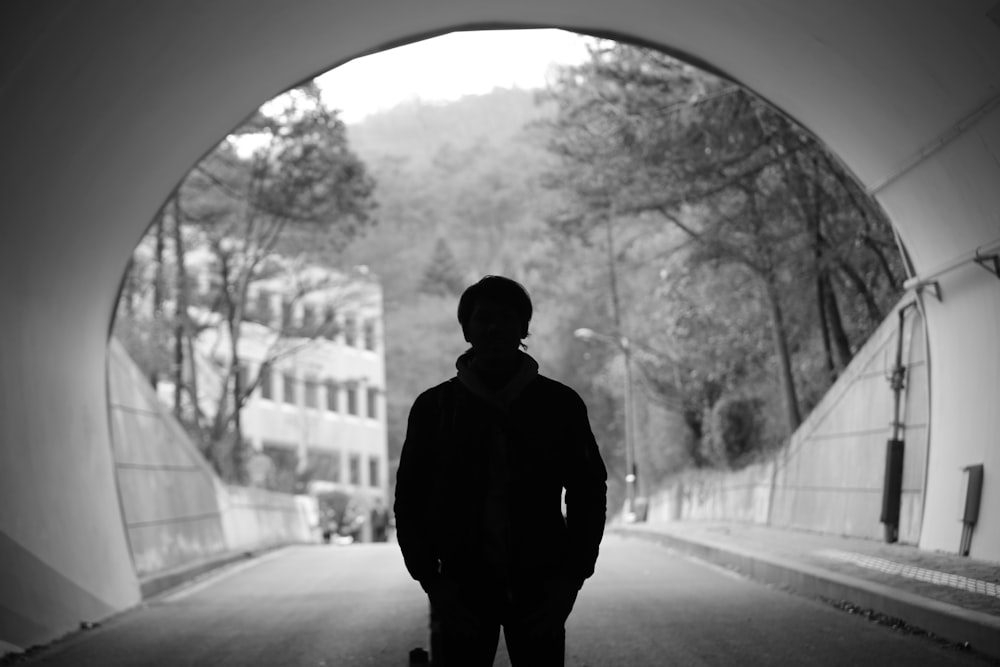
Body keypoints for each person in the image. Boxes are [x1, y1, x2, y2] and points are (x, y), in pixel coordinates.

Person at [394, 275, 608, 667]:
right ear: (466, 329)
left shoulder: (559, 405)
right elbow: (410, 498)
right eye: (483, 318)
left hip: (541, 584)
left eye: (506, 318)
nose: (493, 328)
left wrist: (570, 581)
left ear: (524, 328)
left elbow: (588, 492)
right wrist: (432, 581)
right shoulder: (434, 408)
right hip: (461, 586)